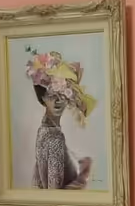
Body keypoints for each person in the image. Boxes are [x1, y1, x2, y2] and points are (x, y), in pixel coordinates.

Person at [25, 49, 94, 190]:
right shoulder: (55, 139)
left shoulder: (43, 132)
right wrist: (82, 177)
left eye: (62, 96)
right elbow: (54, 195)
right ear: (43, 98)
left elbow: (37, 184)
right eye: (51, 96)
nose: (58, 102)